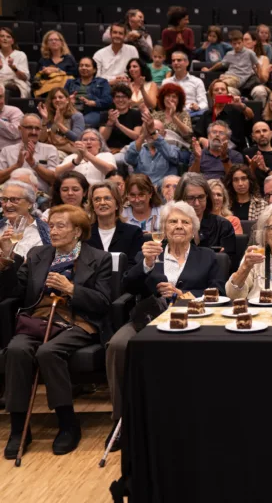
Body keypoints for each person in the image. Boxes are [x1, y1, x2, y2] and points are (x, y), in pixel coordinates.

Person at [106, 201, 225, 439]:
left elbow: (218, 292)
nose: (179, 226)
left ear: (194, 229)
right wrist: (147, 265)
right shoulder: (149, 254)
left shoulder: (208, 256)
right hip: (151, 317)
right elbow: (128, 285)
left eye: (185, 222)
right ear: (163, 228)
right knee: (117, 345)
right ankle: (122, 419)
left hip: (194, 318)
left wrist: (184, 295)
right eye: (173, 221)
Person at [1, 204, 112, 458]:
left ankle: (67, 422)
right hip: (38, 319)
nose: (53, 230)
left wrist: (72, 289)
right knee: (17, 349)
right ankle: (19, 427)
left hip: (77, 321)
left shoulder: (98, 258)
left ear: (77, 231)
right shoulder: (38, 254)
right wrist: (7, 261)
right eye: (51, 225)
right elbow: (15, 293)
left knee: (49, 352)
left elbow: (103, 303)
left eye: (61, 226)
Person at [173, 173, 236, 267]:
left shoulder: (223, 226)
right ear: (181, 198)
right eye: (191, 198)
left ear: (207, 196)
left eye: (201, 197)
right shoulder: (172, 226)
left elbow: (228, 265)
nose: (197, 203)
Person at [84, 181, 143, 271]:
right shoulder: (85, 234)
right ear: (93, 207)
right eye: (97, 199)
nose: (102, 203)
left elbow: (134, 268)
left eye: (107, 198)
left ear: (117, 205)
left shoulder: (133, 233)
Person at [0, 113, 59, 194]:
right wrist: (17, 165)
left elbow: (54, 179)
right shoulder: (7, 151)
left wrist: (33, 164)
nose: (34, 132)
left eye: (37, 128)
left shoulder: (50, 150)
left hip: (39, 195)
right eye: (29, 128)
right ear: (20, 128)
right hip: (11, 194)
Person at [203, 30, 267, 100]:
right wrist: (209, 70)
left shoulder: (250, 53)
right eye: (234, 44)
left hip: (238, 79)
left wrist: (260, 77)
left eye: (239, 43)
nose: (237, 46)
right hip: (227, 76)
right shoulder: (229, 54)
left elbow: (257, 65)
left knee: (220, 87)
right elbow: (220, 64)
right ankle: (217, 107)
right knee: (214, 91)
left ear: (242, 42)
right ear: (231, 44)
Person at [194, 79, 254, 151]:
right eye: (216, 90)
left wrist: (241, 105)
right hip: (211, 150)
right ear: (212, 95)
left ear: (227, 93)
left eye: (223, 89)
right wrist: (201, 140)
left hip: (233, 152)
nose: (220, 91)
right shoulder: (207, 114)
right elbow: (197, 135)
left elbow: (251, 116)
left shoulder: (236, 111)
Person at [0, 179, 49, 259]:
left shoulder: (46, 232)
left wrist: (8, 254)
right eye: (4, 199)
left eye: (14, 200)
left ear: (30, 203)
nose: (8, 205)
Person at [124, 118, 180, 187]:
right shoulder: (138, 149)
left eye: (156, 131)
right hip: (142, 191)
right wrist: (142, 135)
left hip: (164, 191)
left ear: (164, 134)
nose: (151, 133)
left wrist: (154, 133)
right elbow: (129, 159)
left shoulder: (172, 148)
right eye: (148, 130)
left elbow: (173, 157)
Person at [65, 57, 113, 128]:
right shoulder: (70, 82)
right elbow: (60, 98)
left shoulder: (102, 82)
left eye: (87, 66)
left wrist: (94, 103)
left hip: (94, 111)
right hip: (72, 111)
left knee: (82, 122)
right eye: (81, 65)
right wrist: (68, 100)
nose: (83, 68)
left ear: (94, 70)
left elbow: (109, 99)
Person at [37, 87, 85, 153]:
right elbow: (42, 139)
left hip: (68, 151)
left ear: (67, 100)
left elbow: (77, 138)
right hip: (50, 149)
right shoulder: (48, 115)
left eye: (60, 97)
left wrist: (59, 124)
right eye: (54, 98)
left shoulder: (77, 116)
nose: (57, 100)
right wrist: (46, 120)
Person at [99, 84, 142, 156]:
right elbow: (102, 139)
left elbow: (136, 136)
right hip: (109, 151)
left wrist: (118, 125)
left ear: (129, 99)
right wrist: (110, 123)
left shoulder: (136, 114)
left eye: (124, 97)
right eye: (117, 97)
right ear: (113, 99)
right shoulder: (106, 115)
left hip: (129, 151)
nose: (120, 100)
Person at [162, 52, 208, 116]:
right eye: (173, 61)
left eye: (179, 60)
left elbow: (204, 103)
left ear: (187, 62)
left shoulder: (197, 81)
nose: (175, 63)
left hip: (192, 115)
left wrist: (198, 107)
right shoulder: (166, 82)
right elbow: (161, 103)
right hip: (171, 115)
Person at [152, 82, 193, 153]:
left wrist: (173, 117)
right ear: (163, 98)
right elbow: (150, 133)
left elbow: (188, 135)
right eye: (168, 96)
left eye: (174, 97)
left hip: (178, 149)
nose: (170, 99)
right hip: (158, 147)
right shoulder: (156, 115)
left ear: (179, 100)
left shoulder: (183, 114)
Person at [0, 27, 30, 98]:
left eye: (8, 37)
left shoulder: (20, 55)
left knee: (9, 89)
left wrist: (13, 68)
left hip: (15, 84)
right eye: (2, 36)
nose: (5, 39)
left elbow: (24, 78)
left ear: (12, 41)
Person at [0, 85, 22, 150]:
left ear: (4, 97)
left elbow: (16, 133)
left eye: (0, 97)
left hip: (11, 154)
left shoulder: (14, 111)